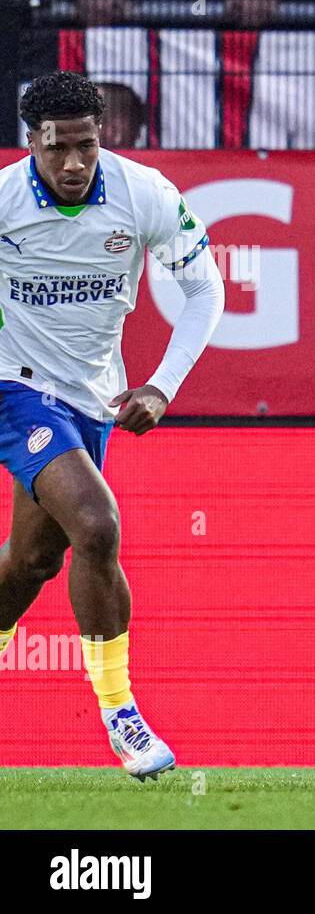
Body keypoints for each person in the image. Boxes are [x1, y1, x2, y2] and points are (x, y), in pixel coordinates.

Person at [0, 71, 225, 780]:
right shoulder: (4, 202)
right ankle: (121, 714)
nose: (72, 164)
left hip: (91, 397)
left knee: (34, 561)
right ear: (31, 142)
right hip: (14, 385)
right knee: (96, 524)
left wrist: (162, 384)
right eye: (56, 148)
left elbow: (204, 287)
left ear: (103, 138)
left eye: (86, 147)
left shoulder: (144, 193)